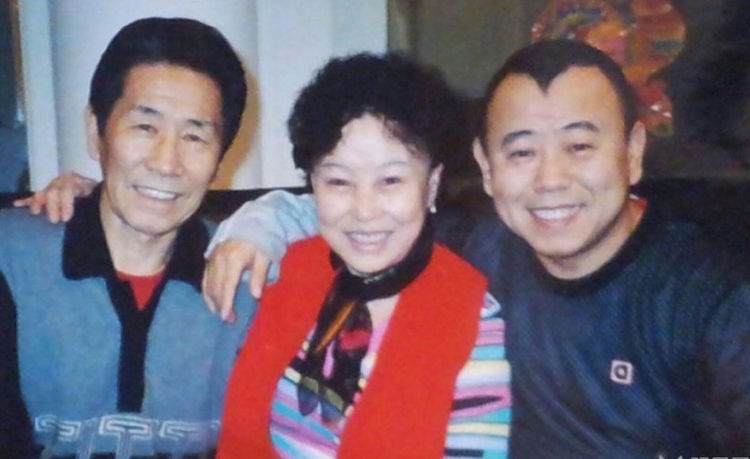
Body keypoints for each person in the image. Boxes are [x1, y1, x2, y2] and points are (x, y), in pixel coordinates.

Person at [203, 40, 750, 456]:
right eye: (522, 153)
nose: (551, 179)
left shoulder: (710, 297)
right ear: (486, 168)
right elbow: (353, 219)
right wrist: (256, 225)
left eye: (580, 146)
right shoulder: (477, 243)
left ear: (632, 152)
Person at [215, 53, 510, 457]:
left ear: (431, 184)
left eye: (390, 180)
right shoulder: (289, 269)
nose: (364, 210)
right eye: (338, 181)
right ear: (313, 184)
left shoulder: (474, 321)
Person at [0, 17, 255, 457]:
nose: (166, 163)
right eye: (145, 127)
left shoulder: (250, 280)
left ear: (220, 161)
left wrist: (271, 219)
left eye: (195, 136)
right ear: (95, 132)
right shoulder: (12, 260)